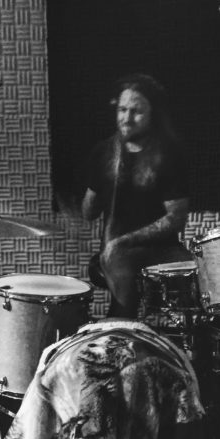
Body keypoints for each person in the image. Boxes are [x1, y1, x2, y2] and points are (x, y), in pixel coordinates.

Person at [81, 73, 192, 318]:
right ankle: (120, 329)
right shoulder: (104, 152)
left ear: (153, 115)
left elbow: (175, 218)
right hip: (117, 252)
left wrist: (125, 240)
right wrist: (94, 184)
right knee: (124, 301)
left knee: (196, 280)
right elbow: (88, 213)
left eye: (136, 111)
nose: (127, 118)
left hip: (163, 248)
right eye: (122, 110)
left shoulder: (169, 155)